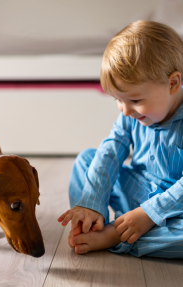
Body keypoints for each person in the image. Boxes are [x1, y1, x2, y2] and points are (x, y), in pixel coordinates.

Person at [58, 20, 183, 258]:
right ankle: (93, 222)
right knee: (88, 159)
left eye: (135, 100)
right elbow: (111, 150)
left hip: (175, 209)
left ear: (173, 83)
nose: (125, 111)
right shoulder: (130, 113)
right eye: (118, 100)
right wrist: (92, 203)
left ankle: (115, 235)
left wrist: (149, 214)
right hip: (137, 191)